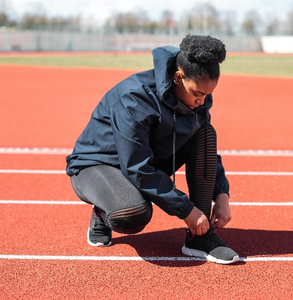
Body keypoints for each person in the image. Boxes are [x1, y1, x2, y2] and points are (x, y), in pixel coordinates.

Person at [66, 34, 239, 264]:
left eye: (208, 95)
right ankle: (102, 209)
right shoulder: (134, 97)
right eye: (198, 93)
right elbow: (136, 166)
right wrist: (187, 209)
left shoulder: (198, 99)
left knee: (206, 132)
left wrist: (222, 194)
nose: (202, 101)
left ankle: (200, 237)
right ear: (178, 77)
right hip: (98, 165)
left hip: (145, 158)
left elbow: (205, 143)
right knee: (133, 215)